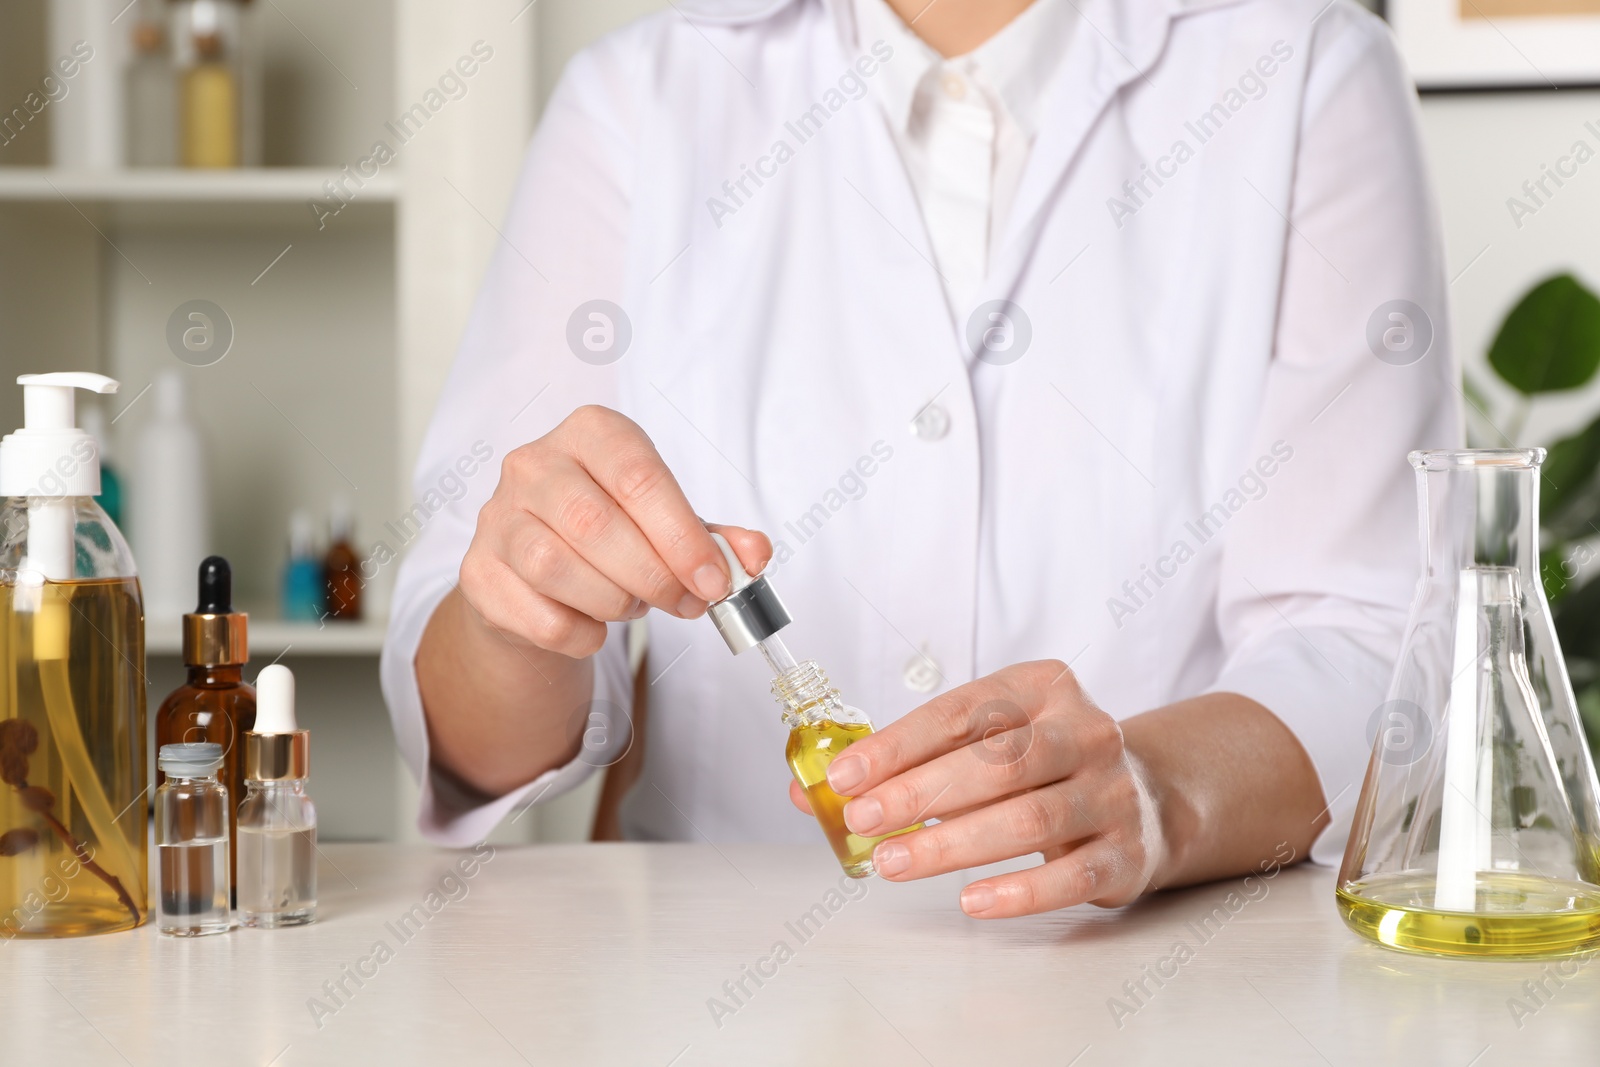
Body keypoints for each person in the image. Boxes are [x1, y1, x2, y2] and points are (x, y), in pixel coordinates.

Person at [379, 0, 1459, 918]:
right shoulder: (640, 96)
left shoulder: (1303, 66)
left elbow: (1370, 640)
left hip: (1161, 984)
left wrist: (1152, 789)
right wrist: (516, 615)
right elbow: (475, 734)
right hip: (718, 993)